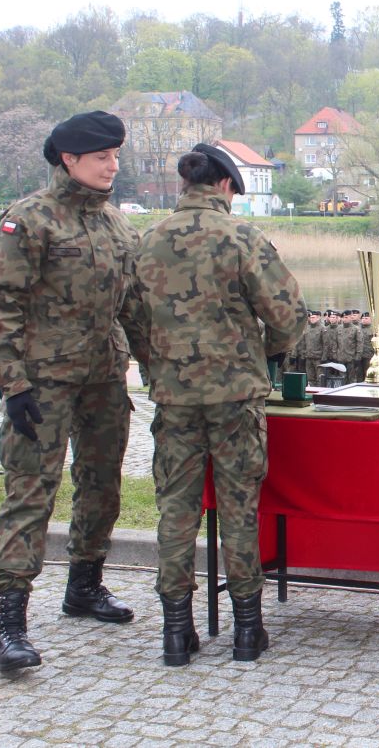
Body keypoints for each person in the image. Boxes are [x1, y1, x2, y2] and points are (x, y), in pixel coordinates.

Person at [0, 110, 150, 673]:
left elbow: (134, 309)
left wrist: (158, 370)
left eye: (115, 156)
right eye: (102, 157)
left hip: (104, 378)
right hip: (42, 383)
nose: (112, 166)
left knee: (102, 485)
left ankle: (85, 586)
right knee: (31, 493)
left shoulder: (118, 226)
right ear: (69, 159)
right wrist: (13, 384)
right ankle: (9, 622)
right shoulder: (29, 219)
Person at [136, 144, 306, 666]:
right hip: (235, 398)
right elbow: (288, 314)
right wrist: (269, 354)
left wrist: (157, 366)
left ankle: (176, 633)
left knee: (176, 509)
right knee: (238, 509)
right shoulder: (241, 237)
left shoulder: (148, 239)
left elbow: (130, 319)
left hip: (174, 398)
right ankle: (247, 632)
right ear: (227, 186)